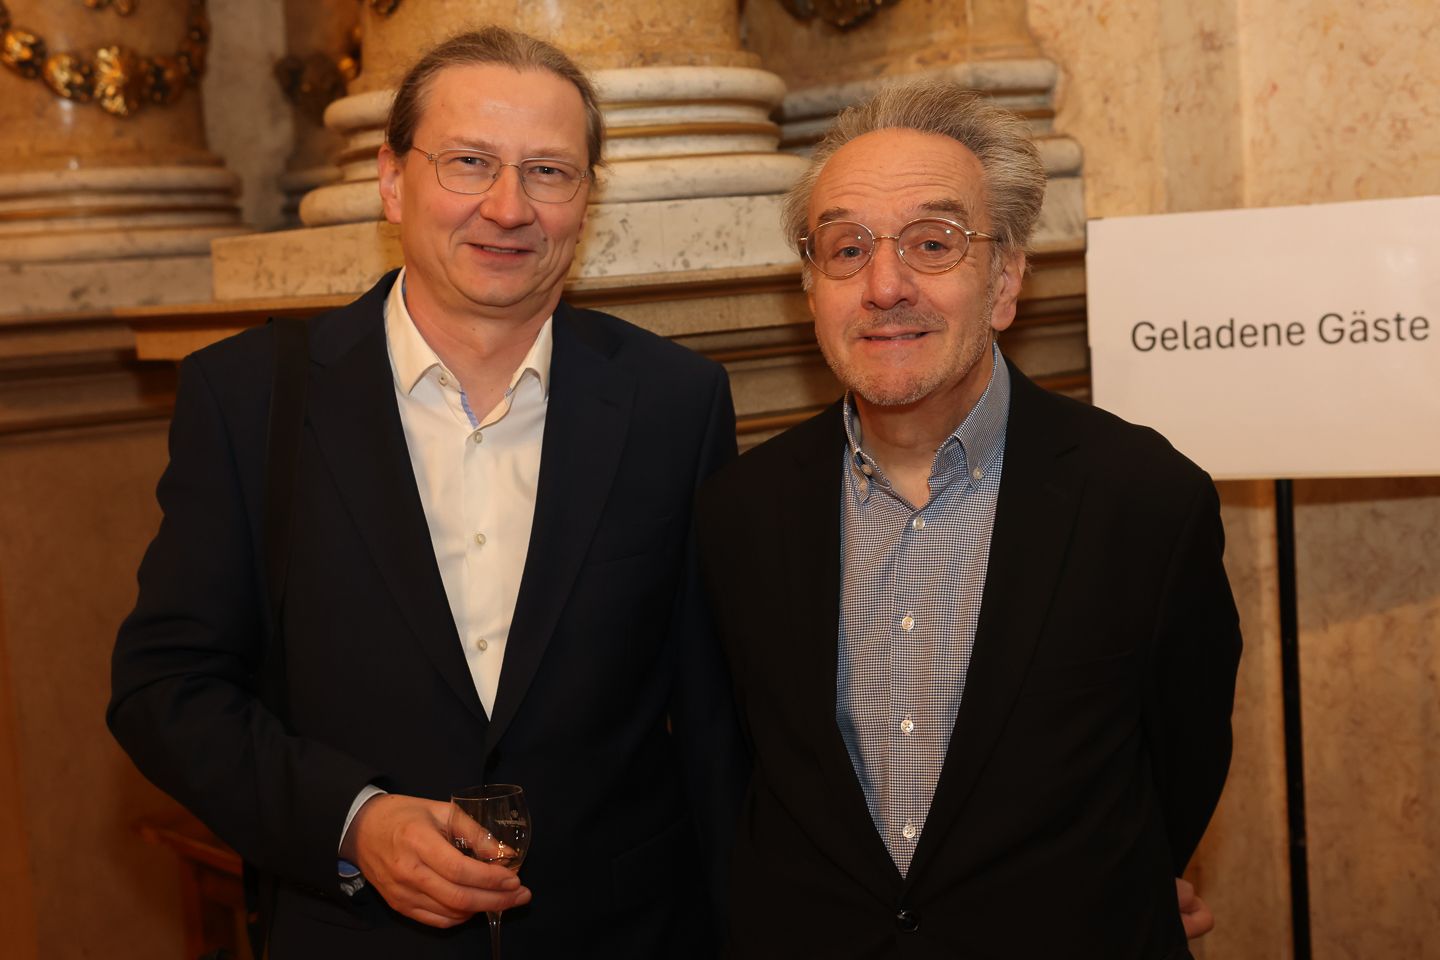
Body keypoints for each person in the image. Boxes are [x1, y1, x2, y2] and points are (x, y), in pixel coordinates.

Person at [108, 27, 747, 959]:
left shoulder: (675, 403)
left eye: (549, 172)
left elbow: (719, 724)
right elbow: (165, 688)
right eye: (469, 162)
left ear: (587, 200)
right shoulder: (251, 398)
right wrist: (352, 820)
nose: (507, 207)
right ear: (392, 178)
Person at [693, 79, 1242, 959]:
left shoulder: (1145, 501)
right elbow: (733, 771)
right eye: (846, 249)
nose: (885, 286)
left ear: (1005, 279)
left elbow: (1180, 764)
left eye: (933, 243)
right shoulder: (737, 513)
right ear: (810, 286)